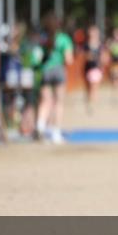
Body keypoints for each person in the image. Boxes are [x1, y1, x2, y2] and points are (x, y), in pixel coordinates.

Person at [36, 13, 75, 144]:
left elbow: (37, 57)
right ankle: (55, 133)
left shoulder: (43, 38)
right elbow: (69, 60)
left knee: (45, 101)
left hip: (45, 70)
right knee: (58, 102)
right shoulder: (64, 39)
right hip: (58, 70)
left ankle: (40, 127)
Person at [83, 25, 106, 111]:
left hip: (96, 68)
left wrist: (101, 65)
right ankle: (90, 101)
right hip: (88, 68)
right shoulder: (86, 45)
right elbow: (86, 57)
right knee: (89, 87)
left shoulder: (100, 45)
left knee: (94, 86)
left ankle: (92, 104)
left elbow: (102, 57)